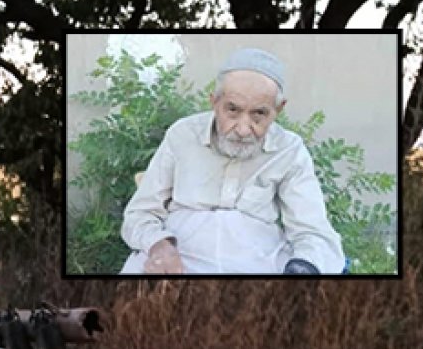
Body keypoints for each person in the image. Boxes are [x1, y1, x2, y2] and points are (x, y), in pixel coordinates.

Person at [119, 47, 345, 275]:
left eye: (259, 114)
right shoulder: (182, 134)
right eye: (233, 110)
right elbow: (140, 213)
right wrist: (160, 247)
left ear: (278, 109)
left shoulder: (289, 150)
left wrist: (303, 267)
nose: (244, 129)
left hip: (258, 263)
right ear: (214, 102)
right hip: (178, 259)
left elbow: (313, 231)